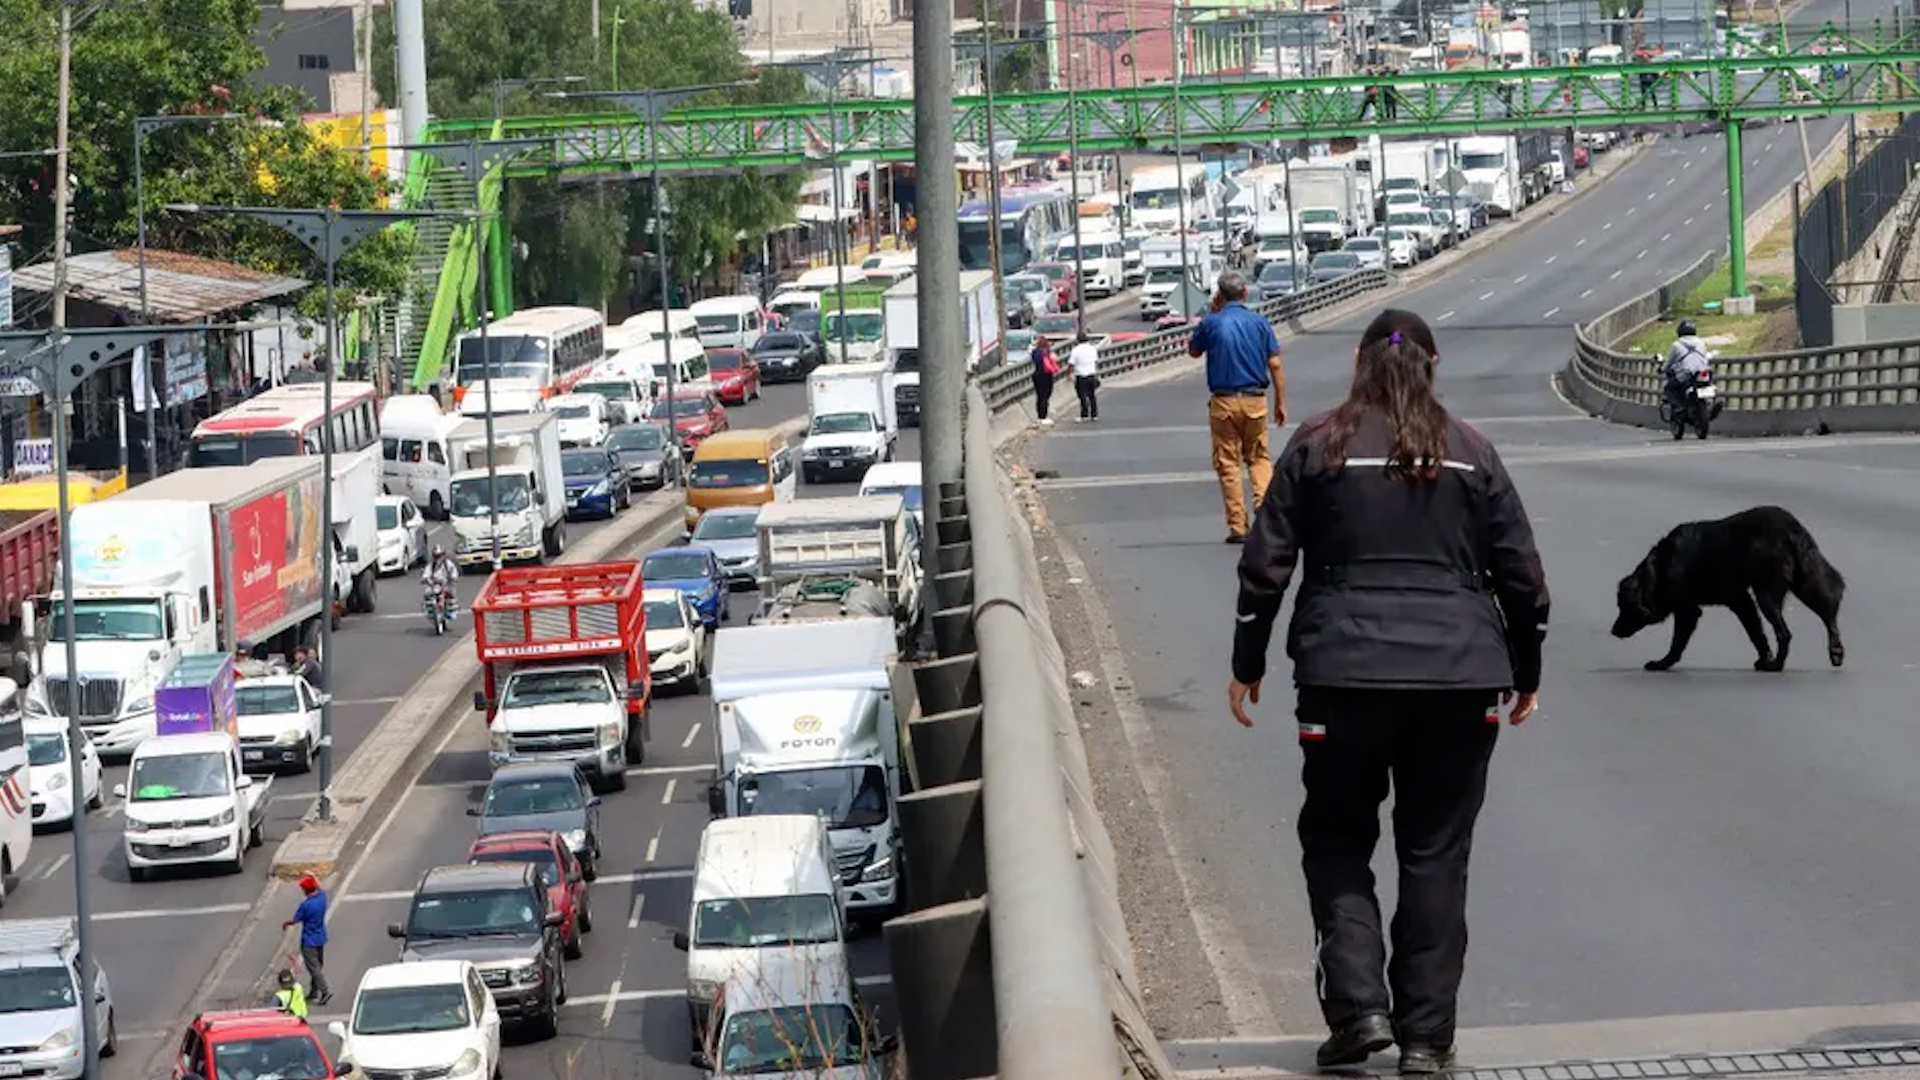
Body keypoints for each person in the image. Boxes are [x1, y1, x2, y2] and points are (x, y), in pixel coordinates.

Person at [1227, 309, 1550, 1075]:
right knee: (1436, 852)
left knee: (1337, 838)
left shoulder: (1316, 444)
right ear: (1433, 367)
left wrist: (1249, 662)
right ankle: (1427, 1042)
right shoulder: (1472, 453)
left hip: (1342, 677)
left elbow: (1264, 570)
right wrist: (1527, 674)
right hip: (1462, 677)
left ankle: (1359, 1011)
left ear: (1356, 362)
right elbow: (1525, 583)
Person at [1187, 270, 1286, 544]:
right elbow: (1275, 364)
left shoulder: (1211, 323)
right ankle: (1264, 513)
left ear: (1219, 295)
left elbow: (1193, 351)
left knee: (1228, 463)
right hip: (1255, 399)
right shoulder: (1260, 323)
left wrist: (1212, 312)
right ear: (1245, 294)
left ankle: (1238, 527)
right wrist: (1280, 402)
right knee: (1259, 458)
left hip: (1223, 401)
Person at [282, 875, 332, 1005]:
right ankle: (314, 991)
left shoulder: (306, 905)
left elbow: (295, 920)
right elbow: (320, 886)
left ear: (305, 891)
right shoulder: (322, 898)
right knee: (318, 966)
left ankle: (324, 991)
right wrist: (313, 877)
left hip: (309, 941)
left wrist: (286, 923)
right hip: (320, 937)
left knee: (313, 968)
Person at [1662, 319, 1712, 414]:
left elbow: (1669, 362)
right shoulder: (1701, 343)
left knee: (1670, 389)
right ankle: (1709, 404)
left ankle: (1679, 406)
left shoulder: (1676, 345)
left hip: (1686, 375)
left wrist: (1663, 369)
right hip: (1704, 373)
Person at [1068, 333, 1101, 422]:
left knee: (1082, 396)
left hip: (1081, 375)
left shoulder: (1076, 350)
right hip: (1091, 374)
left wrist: (1069, 374)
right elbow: (1096, 361)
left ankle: (1084, 414)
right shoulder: (1092, 348)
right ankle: (1094, 415)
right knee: (1092, 395)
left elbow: (1071, 363)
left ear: (1078, 340)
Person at [1030, 335, 1061, 426]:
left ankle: (1040, 416)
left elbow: (1035, 361)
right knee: (1045, 396)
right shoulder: (1048, 352)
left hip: (1037, 375)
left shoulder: (1035, 352)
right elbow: (1054, 360)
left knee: (1039, 396)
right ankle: (1043, 416)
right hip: (1046, 375)